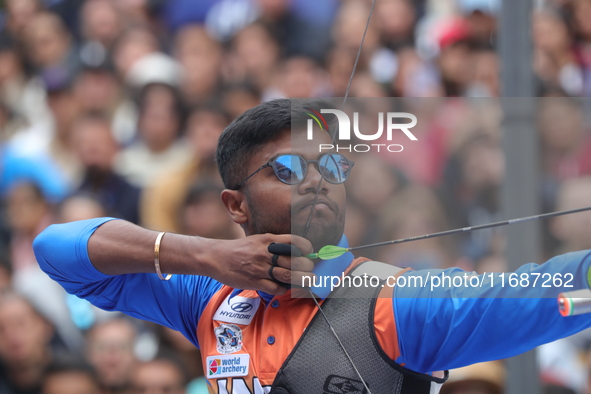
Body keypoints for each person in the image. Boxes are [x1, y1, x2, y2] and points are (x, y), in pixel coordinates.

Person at [34, 99, 591, 393]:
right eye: (287, 169)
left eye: (330, 163)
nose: (317, 178)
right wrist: (205, 255)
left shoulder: (393, 303)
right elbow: (56, 250)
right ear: (236, 206)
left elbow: (552, 289)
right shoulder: (206, 292)